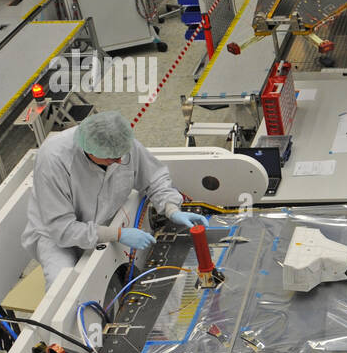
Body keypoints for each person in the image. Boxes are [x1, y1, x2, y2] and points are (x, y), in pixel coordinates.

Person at [22, 111, 208, 286]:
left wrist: (171, 209)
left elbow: (154, 178)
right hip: (56, 236)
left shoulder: (118, 142)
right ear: (88, 150)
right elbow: (61, 228)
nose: (119, 162)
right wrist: (117, 235)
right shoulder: (54, 159)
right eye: (112, 158)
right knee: (61, 286)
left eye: (121, 156)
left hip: (103, 221)